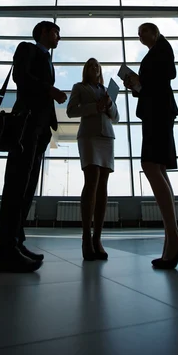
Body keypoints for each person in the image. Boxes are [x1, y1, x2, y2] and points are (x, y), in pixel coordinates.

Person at [0, 21, 67, 272]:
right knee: (16, 185)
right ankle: (4, 250)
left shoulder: (47, 59)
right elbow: (21, 78)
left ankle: (15, 242)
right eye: (56, 32)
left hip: (39, 129)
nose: (59, 37)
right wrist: (50, 90)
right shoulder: (27, 49)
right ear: (44, 32)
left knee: (26, 187)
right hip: (25, 125)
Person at [124, 22, 178, 270]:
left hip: (158, 111)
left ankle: (173, 237)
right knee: (158, 167)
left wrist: (140, 80)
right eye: (138, 33)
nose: (140, 36)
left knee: (151, 164)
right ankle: (171, 238)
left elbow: (167, 75)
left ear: (155, 32)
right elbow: (153, 84)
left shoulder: (162, 48)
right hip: (156, 110)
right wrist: (136, 86)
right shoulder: (155, 52)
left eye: (143, 31)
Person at [66, 58, 119, 260]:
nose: (94, 68)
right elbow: (71, 111)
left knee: (103, 185)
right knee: (92, 181)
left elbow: (117, 117)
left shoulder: (106, 91)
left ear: (100, 70)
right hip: (88, 135)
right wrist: (93, 108)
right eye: (90, 66)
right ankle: (86, 238)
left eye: (97, 66)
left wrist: (108, 105)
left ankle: (97, 238)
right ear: (85, 70)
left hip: (107, 136)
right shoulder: (79, 87)